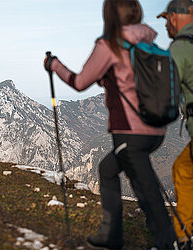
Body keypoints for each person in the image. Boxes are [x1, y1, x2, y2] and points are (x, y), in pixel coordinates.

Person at [44, 0, 179, 249]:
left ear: (109, 14)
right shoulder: (148, 41)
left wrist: (54, 65)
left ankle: (167, 243)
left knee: (147, 191)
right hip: (157, 128)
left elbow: (80, 81)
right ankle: (111, 234)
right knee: (108, 170)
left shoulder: (110, 44)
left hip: (130, 131)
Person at [157, 0, 193, 249]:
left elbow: (165, 98)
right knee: (183, 168)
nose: (166, 25)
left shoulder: (180, 47)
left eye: (167, 19)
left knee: (183, 170)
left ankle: (184, 239)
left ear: (177, 17)